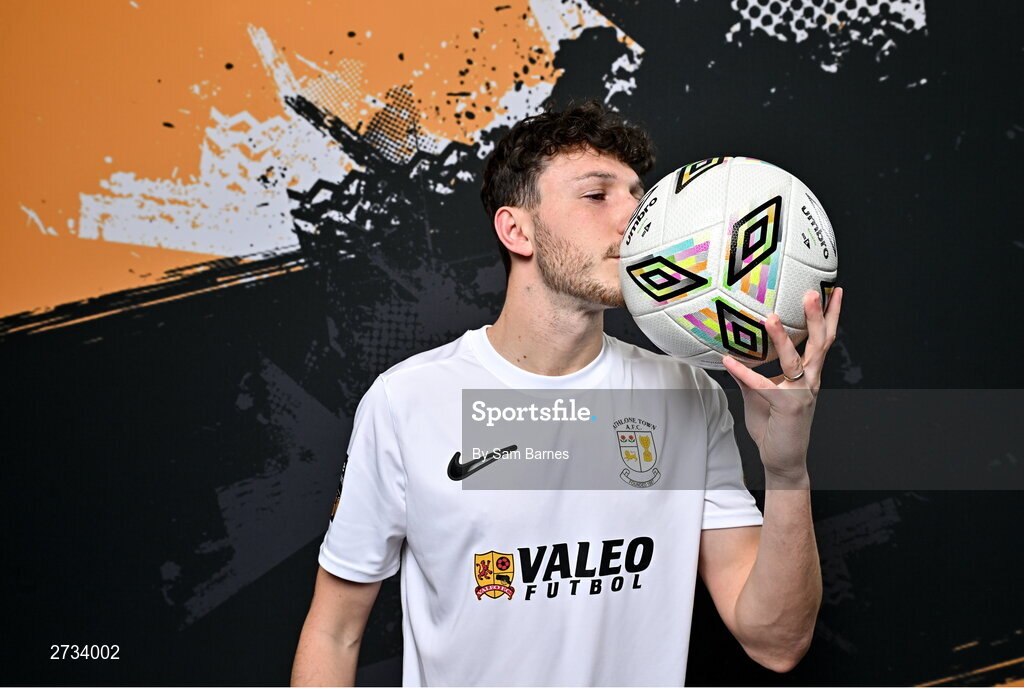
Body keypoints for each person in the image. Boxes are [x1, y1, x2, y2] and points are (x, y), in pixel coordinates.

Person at [291, 101, 843, 686]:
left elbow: (776, 643)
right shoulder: (407, 401)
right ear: (517, 230)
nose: (635, 219)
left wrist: (786, 471)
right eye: (597, 195)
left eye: (638, 197)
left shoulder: (688, 395)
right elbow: (335, 632)